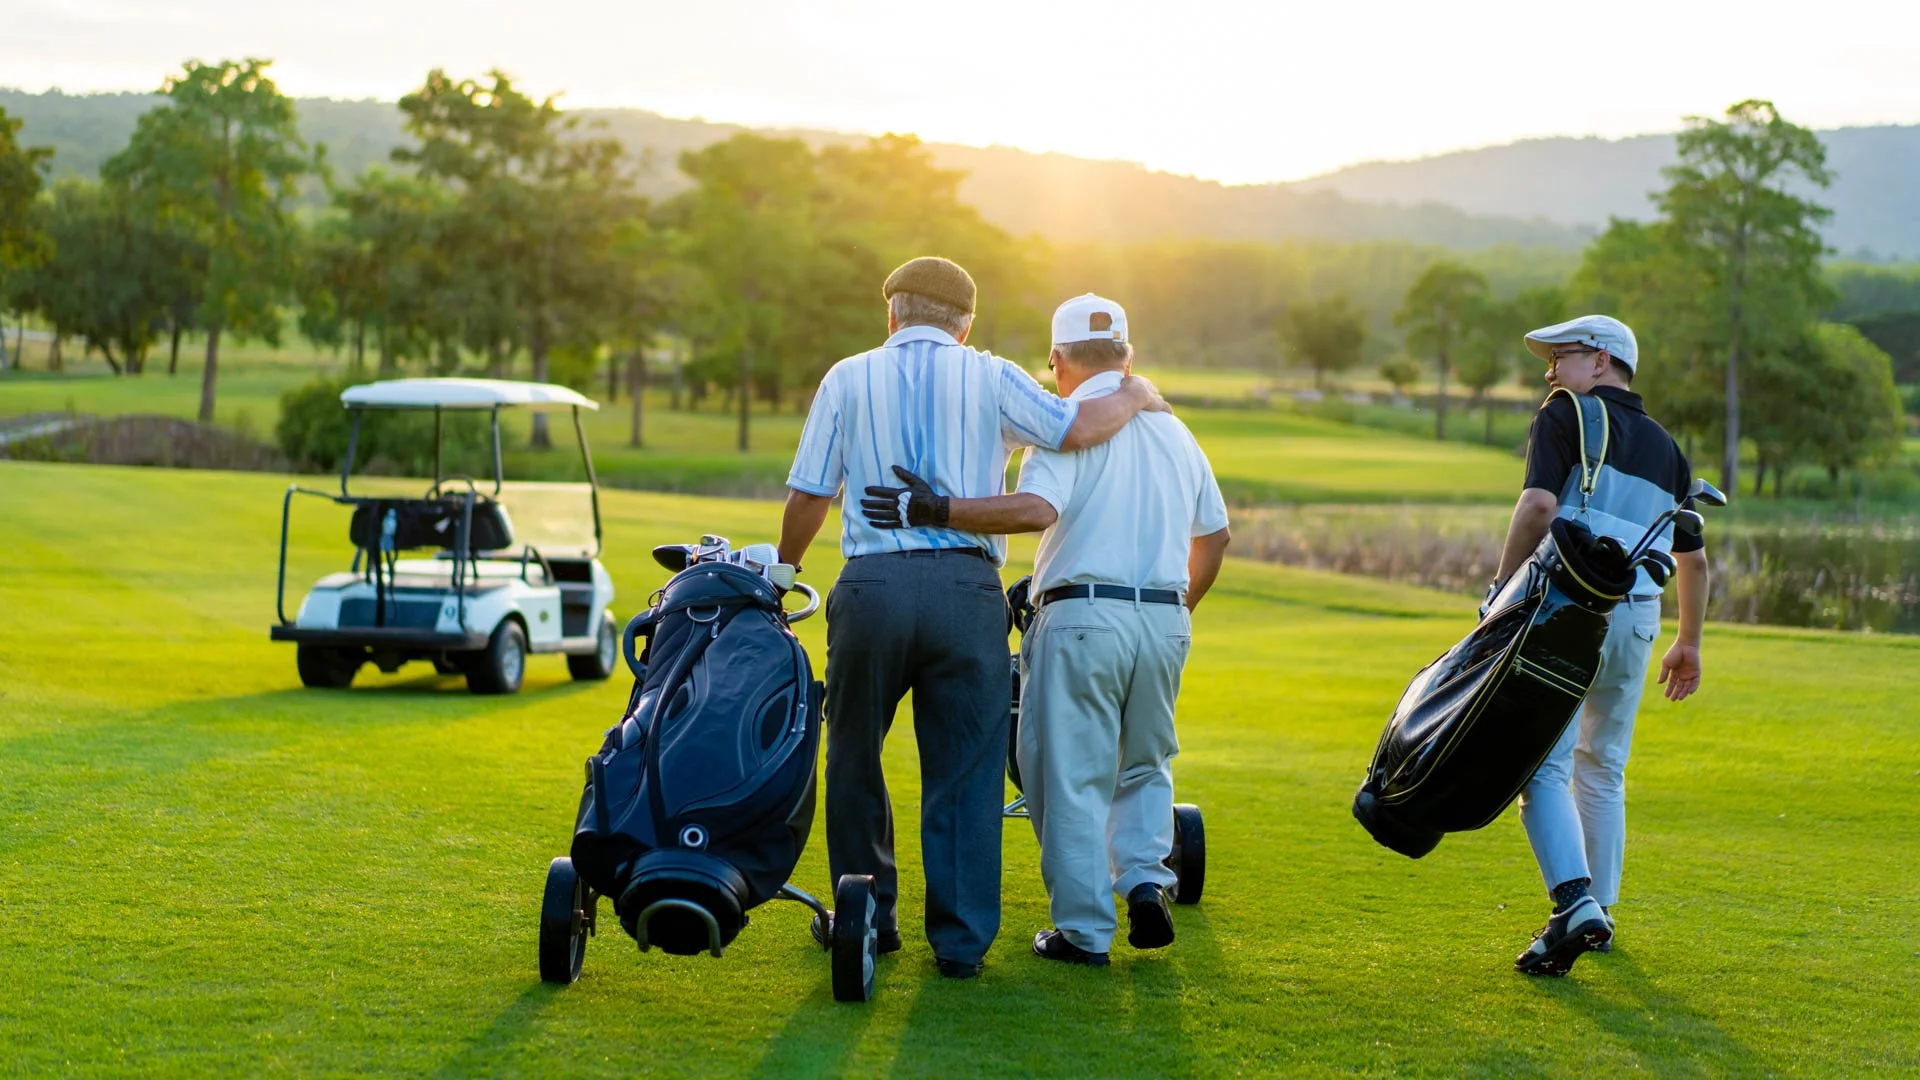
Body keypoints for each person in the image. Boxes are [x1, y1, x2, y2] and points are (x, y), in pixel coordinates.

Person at [777, 259, 1169, 980]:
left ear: (891, 315)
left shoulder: (846, 376)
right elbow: (1077, 428)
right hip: (966, 592)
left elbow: (809, 492)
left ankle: (869, 918)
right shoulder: (991, 375)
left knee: (855, 753)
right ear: (966, 323)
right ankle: (959, 945)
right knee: (966, 767)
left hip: (872, 589)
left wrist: (783, 573)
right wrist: (1138, 390)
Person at [861, 293, 1231, 967]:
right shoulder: (1178, 433)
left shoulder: (1066, 428)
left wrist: (935, 509)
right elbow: (1215, 536)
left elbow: (1035, 510)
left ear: (1057, 362)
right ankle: (1146, 879)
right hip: (1165, 619)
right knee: (1146, 761)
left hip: (1082, 618)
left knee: (1066, 778)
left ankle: (1085, 934)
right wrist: (1181, 612)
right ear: (1129, 355)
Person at [1489, 314, 1710, 977]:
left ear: (1604, 360)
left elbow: (1536, 508)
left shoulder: (1566, 414)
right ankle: (1600, 915)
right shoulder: (1669, 448)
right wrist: (1688, 643)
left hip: (1569, 615)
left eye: (1564, 356)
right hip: (1639, 619)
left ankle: (1573, 903)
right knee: (1603, 768)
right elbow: (1694, 562)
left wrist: (1501, 590)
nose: (1551, 370)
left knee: (1540, 768)